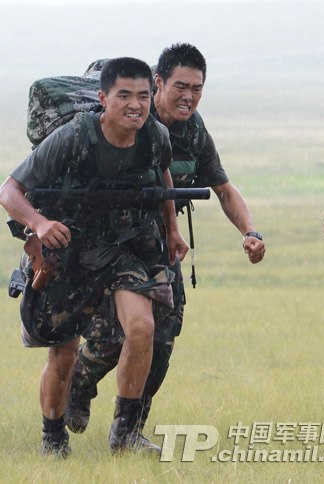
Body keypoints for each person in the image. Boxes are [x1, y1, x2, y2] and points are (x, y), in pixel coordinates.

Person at [64, 44, 266, 450]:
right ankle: (78, 386)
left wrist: (250, 231)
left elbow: (222, 188)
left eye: (197, 88)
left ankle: (128, 431)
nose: (188, 96)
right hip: (113, 243)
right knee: (115, 336)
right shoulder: (133, 118)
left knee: (162, 337)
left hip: (161, 247)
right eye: (180, 86)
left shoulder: (194, 130)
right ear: (158, 82)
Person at [0, 57, 188, 457]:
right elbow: (9, 190)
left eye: (143, 96)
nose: (135, 105)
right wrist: (39, 225)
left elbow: (163, 179)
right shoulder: (72, 137)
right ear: (103, 98)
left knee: (142, 325)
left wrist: (171, 229)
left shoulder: (155, 136)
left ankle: (125, 435)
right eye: (124, 96)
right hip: (66, 252)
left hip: (122, 249)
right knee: (63, 352)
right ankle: (53, 436)